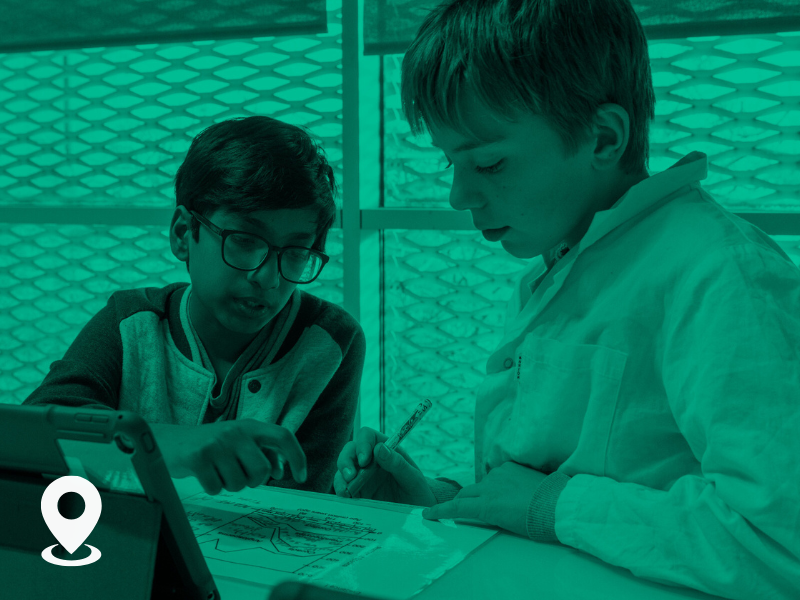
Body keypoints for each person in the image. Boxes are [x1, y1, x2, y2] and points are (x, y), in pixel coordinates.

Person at [334, 1, 800, 599]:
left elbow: (780, 541)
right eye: (452, 162)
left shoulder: (722, 274)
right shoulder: (559, 262)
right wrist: (442, 503)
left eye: (489, 162)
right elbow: (554, 474)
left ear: (603, 137)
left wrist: (553, 506)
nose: (457, 195)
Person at [24, 116, 366, 497]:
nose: (268, 277)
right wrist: (170, 445)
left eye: (296, 252)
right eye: (245, 240)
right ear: (184, 234)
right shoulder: (131, 322)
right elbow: (35, 433)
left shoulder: (331, 342)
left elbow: (303, 509)